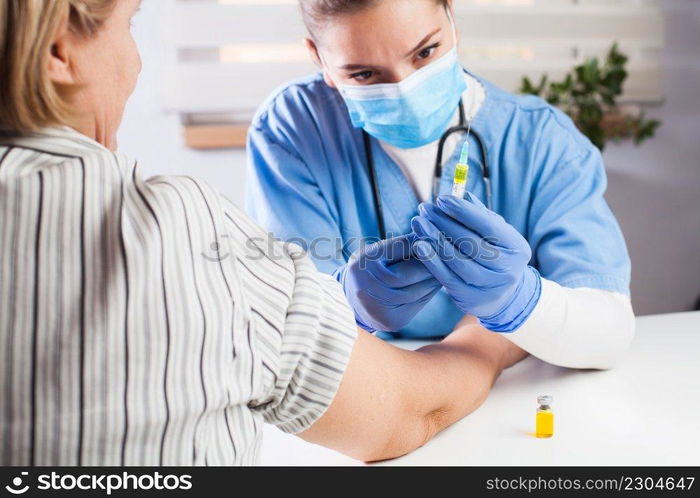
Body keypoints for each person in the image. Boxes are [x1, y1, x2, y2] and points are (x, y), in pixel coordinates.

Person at [0, 0, 526, 466]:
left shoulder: (528, 129)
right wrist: (492, 333)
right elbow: (404, 414)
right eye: (130, 24)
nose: (136, 61)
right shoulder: (170, 224)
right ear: (58, 52)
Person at [246, 0, 635, 368]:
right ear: (319, 58)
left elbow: (610, 334)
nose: (406, 90)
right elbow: (282, 332)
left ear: (451, 14)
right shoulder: (294, 129)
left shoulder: (539, 140)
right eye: (364, 74)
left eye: (425, 53)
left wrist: (522, 302)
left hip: (518, 392)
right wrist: (347, 302)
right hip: (366, 386)